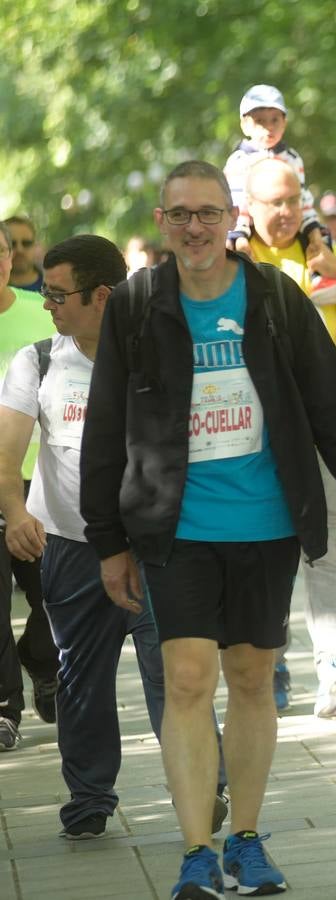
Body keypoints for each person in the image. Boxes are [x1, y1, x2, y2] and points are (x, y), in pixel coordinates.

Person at [80, 160, 336, 898]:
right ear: (162, 222)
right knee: (188, 678)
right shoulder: (136, 305)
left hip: (265, 522)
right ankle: (196, 850)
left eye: (208, 213)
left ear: (231, 220)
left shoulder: (274, 298)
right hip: (175, 525)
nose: (195, 226)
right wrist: (108, 540)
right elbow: (104, 428)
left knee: (252, 678)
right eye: (180, 213)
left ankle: (246, 836)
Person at [0, 234, 229, 839]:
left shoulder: (160, 355)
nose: (45, 303)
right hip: (72, 551)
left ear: (102, 295)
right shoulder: (39, 361)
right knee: (82, 680)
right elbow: (6, 456)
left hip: (161, 547)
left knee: (176, 673)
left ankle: (207, 785)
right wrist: (16, 511)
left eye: (56, 293)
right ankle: (89, 797)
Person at [246, 156, 336, 716]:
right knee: (266, 548)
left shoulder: (320, 253)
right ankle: (271, 656)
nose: (284, 211)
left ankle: (335, 666)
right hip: (256, 431)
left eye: (293, 199)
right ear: (247, 207)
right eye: (273, 201)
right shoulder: (237, 260)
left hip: (320, 424)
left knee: (323, 545)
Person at [0, 220, 59, 747]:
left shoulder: (36, 311)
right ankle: (4, 705)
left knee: (51, 594)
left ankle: (41, 659)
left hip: (41, 481)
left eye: (2, 251)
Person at [223, 84, 327, 259]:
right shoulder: (239, 161)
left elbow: (301, 198)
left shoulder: (292, 159)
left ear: (284, 123)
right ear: (245, 124)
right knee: (232, 254)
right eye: (260, 121)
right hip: (245, 230)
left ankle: (317, 279)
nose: (268, 127)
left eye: (274, 120)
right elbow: (235, 202)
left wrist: (312, 229)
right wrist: (240, 236)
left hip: (289, 229)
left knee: (323, 246)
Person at [3, 215, 44, 292]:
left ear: (35, 246)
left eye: (26, 243)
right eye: (12, 243)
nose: (19, 250)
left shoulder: (55, 288)